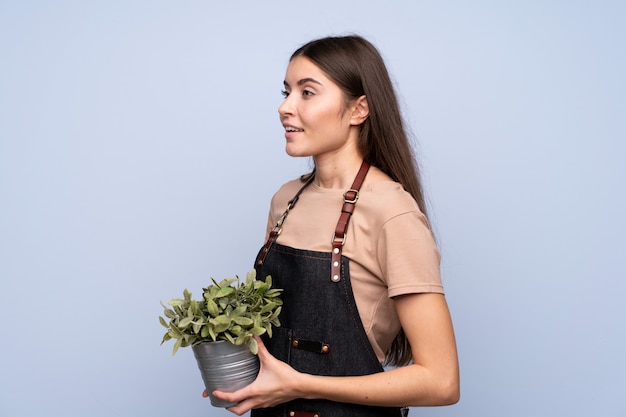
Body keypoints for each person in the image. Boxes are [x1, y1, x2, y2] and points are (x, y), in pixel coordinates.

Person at [206, 34, 460, 416]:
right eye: (287, 91)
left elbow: (441, 382)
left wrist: (299, 385)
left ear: (359, 110)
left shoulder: (392, 212)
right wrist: (231, 365)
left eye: (307, 93)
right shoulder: (285, 200)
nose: (284, 107)